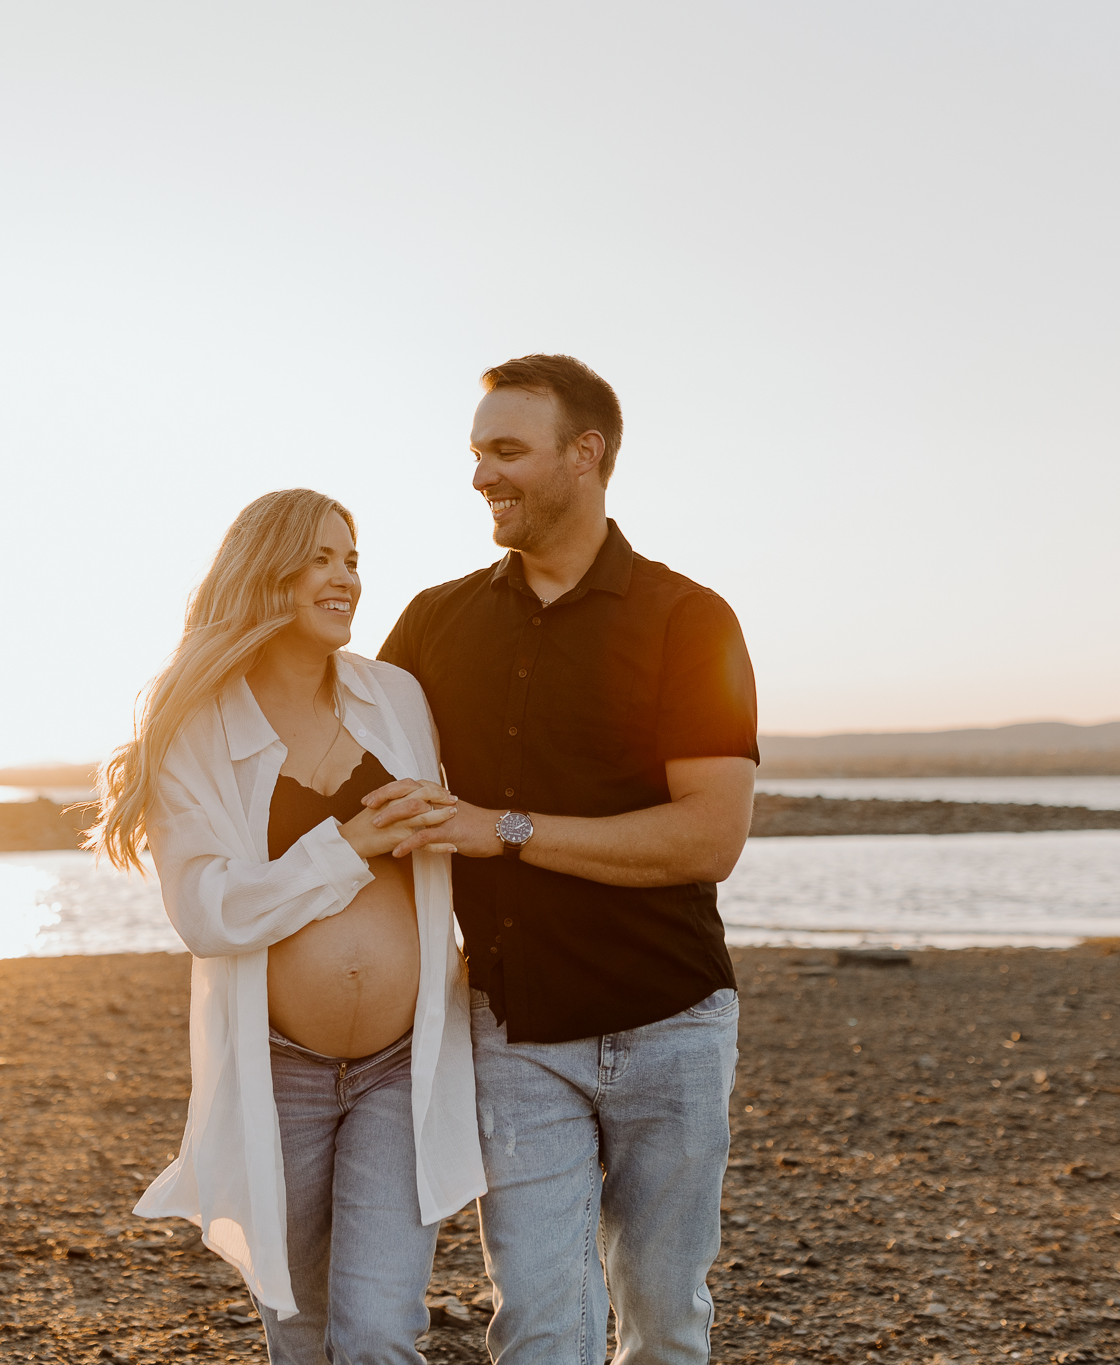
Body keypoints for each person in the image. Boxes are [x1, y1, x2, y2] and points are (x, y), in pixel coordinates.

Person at [373, 355, 760, 1365]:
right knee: (539, 1325)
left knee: (663, 1319)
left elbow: (707, 837)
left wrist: (500, 827)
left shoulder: (690, 619)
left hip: (671, 1026)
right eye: (474, 454)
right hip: (513, 1031)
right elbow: (359, 790)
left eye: (506, 452)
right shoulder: (429, 622)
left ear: (584, 455)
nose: (479, 478)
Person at [88, 488, 485, 1364]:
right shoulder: (196, 725)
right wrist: (347, 843)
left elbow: (448, 830)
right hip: (283, 1073)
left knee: (380, 1332)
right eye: (320, 558)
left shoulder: (398, 699)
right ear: (264, 574)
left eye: (352, 558)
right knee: (302, 1336)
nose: (345, 576)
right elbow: (209, 910)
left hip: (401, 1064)